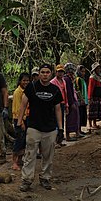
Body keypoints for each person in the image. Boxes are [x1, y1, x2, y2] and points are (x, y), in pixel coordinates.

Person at [16, 63, 63, 192]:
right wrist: (19, 123)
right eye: (42, 72)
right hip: (34, 127)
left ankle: (45, 178)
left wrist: (61, 128)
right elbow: (23, 104)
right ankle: (27, 180)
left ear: (51, 74)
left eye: (47, 72)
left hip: (50, 128)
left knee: (48, 156)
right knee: (30, 154)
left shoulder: (55, 90)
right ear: (39, 74)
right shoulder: (31, 87)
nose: (45, 75)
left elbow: (58, 109)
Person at [11, 72, 30, 171]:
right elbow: (18, 108)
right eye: (24, 80)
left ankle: (20, 159)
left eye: (27, 80)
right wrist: (20, 121)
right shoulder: (18, 92)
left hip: (26, 117)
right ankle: (14, 162)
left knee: (24, 141)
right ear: (20, 81)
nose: (26, 82)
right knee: (19, 140)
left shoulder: (28, 91)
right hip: (19, 119)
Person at [51, 65, 68, 145]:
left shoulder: (64, 81)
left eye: (62, 72)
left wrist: (66, 105)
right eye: (59, 72)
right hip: (55, 104)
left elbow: (65, 94)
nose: (60, 73)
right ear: (56, 72)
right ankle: (55, 141)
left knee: (61, 122)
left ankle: (60, 140)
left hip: (63, 103)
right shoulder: (52, 82)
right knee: (56, 122)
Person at [64, 64, 80, 141]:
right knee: (70, 118)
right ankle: (67, 135)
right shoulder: (67, 79)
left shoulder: (71, 79)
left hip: (74, 99)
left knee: (75, 117)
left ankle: (77, 132)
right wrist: (71, 102)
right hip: (71, 101)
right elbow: (68, 92)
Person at [87, 62, 101, 129]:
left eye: (99, 68)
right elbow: (90, 88)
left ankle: (95, 124)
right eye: (97, 68)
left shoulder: (99, 77)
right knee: (92, 110)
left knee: (96, 111)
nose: (99, 69)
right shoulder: (92, 77)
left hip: (98, 96)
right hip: (93, 96)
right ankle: (90, 124)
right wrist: (90, 97)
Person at [75, 64, 88, 133]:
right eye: (82, 71)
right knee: (79, 115)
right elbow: (78, 90)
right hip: (80, 101)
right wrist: (81, 99)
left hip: (83, 101)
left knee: (82, 115)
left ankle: (80, 130)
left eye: (84, 72)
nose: (83, 73)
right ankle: (78, 130)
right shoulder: (78, 79)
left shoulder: (82, 79)